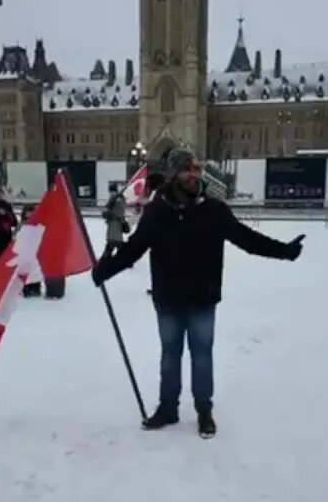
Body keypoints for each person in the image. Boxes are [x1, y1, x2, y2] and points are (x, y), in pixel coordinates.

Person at [92, 148, 304, 438]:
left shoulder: (214, 210)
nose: (193, 175)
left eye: (196, 170)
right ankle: (168, 408)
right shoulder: (157, 211)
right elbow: (134, 248)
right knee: (170, 356)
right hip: (167, 300)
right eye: (186, 170)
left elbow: (247, 239)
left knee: (202, 356)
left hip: (203, 299)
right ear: (173, 174)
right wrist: (106, 269)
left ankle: (204, 411)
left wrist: (285, 251)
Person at [19, 204, 43, 297]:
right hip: (24, 252)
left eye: (32, 212)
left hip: (35, 251)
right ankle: (26, 288)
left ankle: (36, 288)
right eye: (28, 212)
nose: (30, 214)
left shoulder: (39, 223)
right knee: (25, 271)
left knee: (35, 271)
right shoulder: (22, 224)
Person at [101, 190, 131, 263]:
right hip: (118, 224)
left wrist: (106, 211)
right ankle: (125, 258)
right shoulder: (121, 200)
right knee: (116, 243)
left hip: (114, 225)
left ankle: (106, 260)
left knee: (112, 243)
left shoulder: (115, 198)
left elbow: (106, 213)